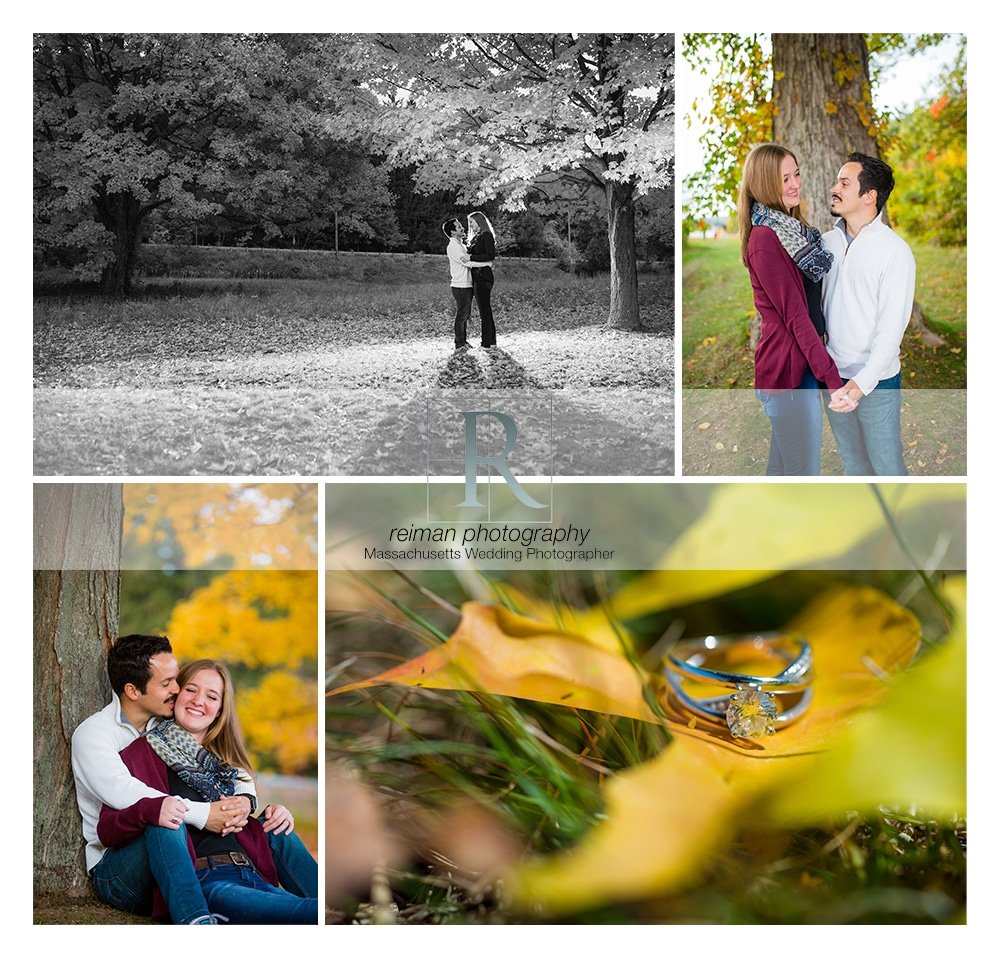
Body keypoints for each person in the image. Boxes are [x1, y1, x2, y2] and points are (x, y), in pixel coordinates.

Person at [70, 634, 314, 924]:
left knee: (280, 837)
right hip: (124, 864)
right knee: (165, 815)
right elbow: (127, 795)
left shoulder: (172, 732)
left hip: (229, 864)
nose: (176, 691)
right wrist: (204, 814)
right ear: (134, 691)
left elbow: (232, 767)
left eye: (177, 681)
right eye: (170, 684)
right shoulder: (101, 736)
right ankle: (195, 921)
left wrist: (248, 803)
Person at [737, 144, 846, 475]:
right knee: (802, 477)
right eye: (785, 178)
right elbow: (797, 319)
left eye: (796, 174)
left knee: (783, 473)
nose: (795, 183)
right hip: (787, 375)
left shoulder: (792, 232)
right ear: (766, 183)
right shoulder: (765, 240)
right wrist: (833, 381)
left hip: (802, 370)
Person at [823, 152, 916, 475]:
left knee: (887, 466)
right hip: (833, 377)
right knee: (853, 463)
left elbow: (892, 329)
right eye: (837, 181)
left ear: (869, 196)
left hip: (877, 383)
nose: (835, 188)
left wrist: (861, 384)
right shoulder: (825, 245)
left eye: (844, 183)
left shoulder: (895, 252)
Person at [466, 211, 497, 349]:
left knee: (484, 311)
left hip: (483, 276)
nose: (470, 226)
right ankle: (491, 341)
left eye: (472, 222)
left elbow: (490, 255)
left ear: (479, 221)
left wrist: (471, 258)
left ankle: (486, 343)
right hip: (477, 275)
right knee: (485, 310)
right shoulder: (477, 237)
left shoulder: (486, 235)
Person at [443, 218, 474, 350]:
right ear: (453, 232)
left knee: (465, 314)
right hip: (461, 286)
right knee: (462, 315)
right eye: (459, 227)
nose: (462, 228)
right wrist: (484, 263)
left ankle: (463, 341)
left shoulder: (461, 244)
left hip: (466, 285)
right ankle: (459, 343)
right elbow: (467, 262)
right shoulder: (453, 247)